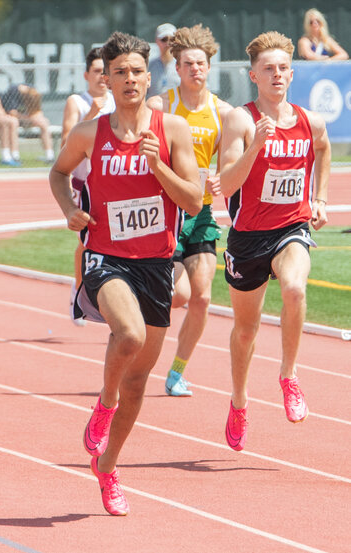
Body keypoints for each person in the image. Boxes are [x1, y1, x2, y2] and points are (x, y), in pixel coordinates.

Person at [51, 31, 201, 516]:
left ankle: (108, 467)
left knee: (141, 380)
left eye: (137, 70)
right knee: (129, 336)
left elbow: (195, 202)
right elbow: (58, 173)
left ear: (147, 75)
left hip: (157, 264)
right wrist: (70, 208)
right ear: (108, 80)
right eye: (120, 72)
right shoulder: (90, 134)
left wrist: (159, 167)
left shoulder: (172, 130)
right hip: (105, 257)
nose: (130, 78)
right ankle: (104, 399)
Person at [218, 31, 330, 451]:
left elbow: (323, 150)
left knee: (295, 287)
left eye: (283, 68)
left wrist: (319, 198)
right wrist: (255, 147)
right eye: (268, 68)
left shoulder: (308, 121)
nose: (277, 74)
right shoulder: (240, 120)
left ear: (292, 72)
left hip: (291, 229)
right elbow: (226, 185)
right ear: (253, 76)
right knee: (246, 332)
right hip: (247, 238)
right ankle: (240, 401)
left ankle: (288, 375)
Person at [147, 24, 233, 397]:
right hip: (166, 211)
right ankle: (134, 327)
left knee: (201, 297)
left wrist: (220, 177)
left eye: (201, 63)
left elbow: (230, 162)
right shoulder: (162, 105)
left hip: (201, 213)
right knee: (178, 296)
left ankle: (176, 371)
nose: (195, 69)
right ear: (177, 69)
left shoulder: (223, 112)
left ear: (209, 67)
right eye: (188, 64)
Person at [60, 46, 115, 323]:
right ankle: (79, 290)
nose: (101, 77)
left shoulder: (118, 101)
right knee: (86, 240)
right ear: (86, 74)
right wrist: (92, 113)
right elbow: (66, 143)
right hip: (85, 184)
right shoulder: (78, 101)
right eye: (96, 72)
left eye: (104, 72)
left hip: (114, 183)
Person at [1, 83, 54, 162]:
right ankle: (15, 155)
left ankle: (50, 156)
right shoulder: (13, 91)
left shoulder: (33, 91)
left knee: (44, 122)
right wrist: (27, 118)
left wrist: (35, 118)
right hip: (15, 118)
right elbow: (12, 112)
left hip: (28, 118)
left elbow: (38, 112)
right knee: (14, 122)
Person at [146, 23, 179, 97]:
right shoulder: (149, 67)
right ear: (157, 41)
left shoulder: (183, 66)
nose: (168, 44)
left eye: (171, 40)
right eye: (164, 39)